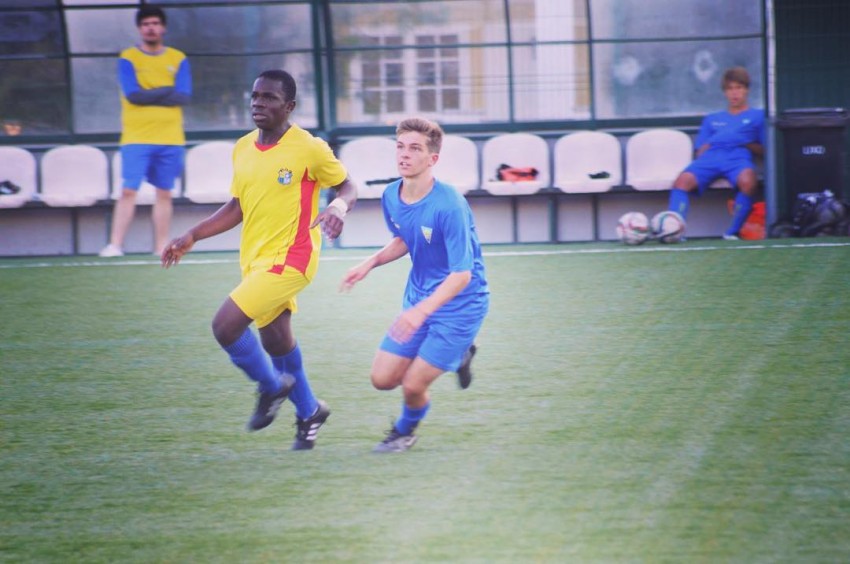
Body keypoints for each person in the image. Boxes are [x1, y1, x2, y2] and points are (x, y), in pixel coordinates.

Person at [161, 69, 357, 450]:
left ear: (289, 106)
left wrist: (338, 207)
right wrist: (192, 236)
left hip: (293, 259)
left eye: (269, 97)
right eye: (255, 96)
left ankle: (270, 388)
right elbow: (237, 207)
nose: (258, 103)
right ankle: (310, 412)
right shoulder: (243, 147)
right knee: (277, 342)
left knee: (225, 327)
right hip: (255, 260)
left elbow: (348, 185)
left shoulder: (309, 148)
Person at [340, 117, 489, 453]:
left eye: (415, 149)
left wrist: (420, 312)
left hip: (461, 306)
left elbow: (462, 275)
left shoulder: (450, 205)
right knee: (382, 380)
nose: (404, 155)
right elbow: (405, 239)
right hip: (419, 299)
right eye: (400, 147)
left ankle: (403, 432)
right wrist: (369, 263)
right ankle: (460, 353)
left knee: (412, 385)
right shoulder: (391, 195)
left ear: (432, 158)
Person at [100, 5, 192, 257]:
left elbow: (183, 96)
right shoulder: (128, 57)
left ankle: (160, 246)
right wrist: (166, 90)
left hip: (171, 138)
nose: (150, 28)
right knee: (128, 190)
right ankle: (115, 245)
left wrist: (149, 93)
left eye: (155, 23)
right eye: (145, 24)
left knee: (164, 193)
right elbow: (133, 95)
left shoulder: (178, 58)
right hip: (136, 137)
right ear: (139, 29)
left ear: (163, 27)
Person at [667, 66, 765, 240]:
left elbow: (765, 150)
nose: (735, 93)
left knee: (749, 181)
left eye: (739, 88)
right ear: (725, 92)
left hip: (737, 157)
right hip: (711, 158)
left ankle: (732, 232)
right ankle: (675, 231)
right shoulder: (712, 118)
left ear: (747, 90)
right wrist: (715, 142)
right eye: (730, 89)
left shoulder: (758, 116)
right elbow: (700, 150)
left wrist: (745, 142)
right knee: (681, 181)